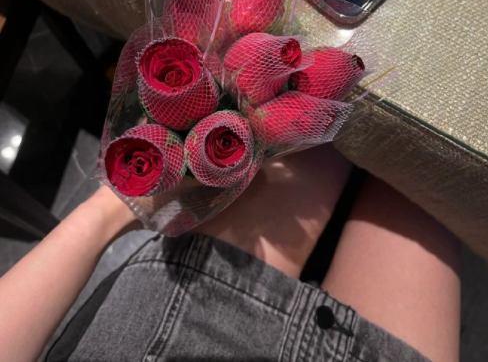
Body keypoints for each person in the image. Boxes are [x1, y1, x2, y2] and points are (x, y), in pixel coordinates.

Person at [0, 145, 460, 362]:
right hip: (181, 325)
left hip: (180, 327)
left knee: (326, 111)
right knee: (431, 158)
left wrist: (112, 208)